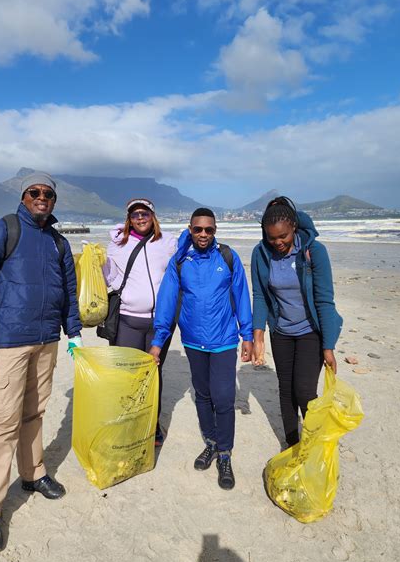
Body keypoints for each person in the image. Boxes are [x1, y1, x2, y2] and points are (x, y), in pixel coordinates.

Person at [0, 172, 82, 553]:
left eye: (48, 194)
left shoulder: (58, 242)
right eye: (35, 192)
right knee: (3, 424)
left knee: (35, 412)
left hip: (46, 341)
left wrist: (73, 332)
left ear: (54, 201)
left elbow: (69, 291)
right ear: (24, 196)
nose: (42, 197)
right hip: (9, 343)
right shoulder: (1, 230)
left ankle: (33, 474)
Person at [149, 208, 253, 490]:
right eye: (198, 229)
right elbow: (167, 301)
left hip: (224, 340)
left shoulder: (228, 258)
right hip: (194, 341)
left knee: (223, 397)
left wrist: (248, 335)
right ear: (191, 229)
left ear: (215, 229)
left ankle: (225, 454)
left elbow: (241, 295)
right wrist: (158, 342)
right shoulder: (180, 261)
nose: (204, 234)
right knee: (203, 395)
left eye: (209, 229)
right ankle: (210, 442)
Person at [251, 196, 342, 447]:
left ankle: (314, 446)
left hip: (310, 330)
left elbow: (324, 300)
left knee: (304, 392)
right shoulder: (260, 254)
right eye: (272, 238)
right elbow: (259, 295)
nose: (278, 242)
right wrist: (258, 334)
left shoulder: (314, 252)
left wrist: (328, 346)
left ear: (293, 226)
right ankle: (291, 444)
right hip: (281, 330)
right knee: (285, 389)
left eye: (283, 236)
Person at [102, 198, 176, 446]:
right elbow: (110, 277)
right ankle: (130, 422)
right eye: (135, 215)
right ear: (129, 219)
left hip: (160, 323)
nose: (140, 218)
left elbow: (182, 266)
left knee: (154, 373)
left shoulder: (167, 243)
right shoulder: (118, 244)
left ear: (153, 216)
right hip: (128, 320)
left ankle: (152, 425)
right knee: (129, 375)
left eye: (144, 214)